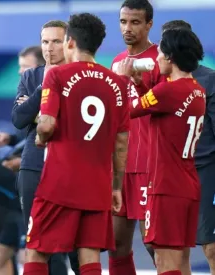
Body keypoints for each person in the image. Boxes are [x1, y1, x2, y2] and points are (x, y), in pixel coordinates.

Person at [24, 13, 129, 275]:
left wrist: (40, 137)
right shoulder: (117, 83)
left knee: (37, 248)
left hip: (60, 181)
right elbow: (121, 143)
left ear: (70, 42)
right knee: (89, 253)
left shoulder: (57, 76)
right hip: (98, 183)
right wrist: (116, 187)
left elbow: (46, 124)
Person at [117, 27, 205, 275]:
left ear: (170, 57)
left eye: (160, 54)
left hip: (166, 187)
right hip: (187, 184)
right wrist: (138, 84)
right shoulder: (196, 89)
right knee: (181, 262)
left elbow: (125, 112)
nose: (156, 58)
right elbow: (158, 108)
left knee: (165, 264)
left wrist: (124, 80)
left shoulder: (168, 90)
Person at [10, 20, 80, 275]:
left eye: (56, 41)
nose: (49, 48)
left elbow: (73, 121)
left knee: (75, 245)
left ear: (69, 42)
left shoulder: (80, 75)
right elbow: (18, 119)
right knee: (38, 240)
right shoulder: (31, 76)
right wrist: (44, 89)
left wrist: (35, 109)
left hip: (72, 165)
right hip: (34, 163)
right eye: (45, 41)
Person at [157, 21, 215, 275]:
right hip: (167, 174)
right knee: (174, 248)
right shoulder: (156, 82)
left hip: (204, 169)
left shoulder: (208, 80)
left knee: (210, 246)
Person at [109, 1, 163, 273]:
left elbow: (163, 107)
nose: (127, 28)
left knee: (154, 244)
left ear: (149, 24)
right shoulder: (117, 61)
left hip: (150, 166)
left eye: (135, 22)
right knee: (117, 245)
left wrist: (139, 81)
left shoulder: (160, 60)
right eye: (123, 22)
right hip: (121, 167)